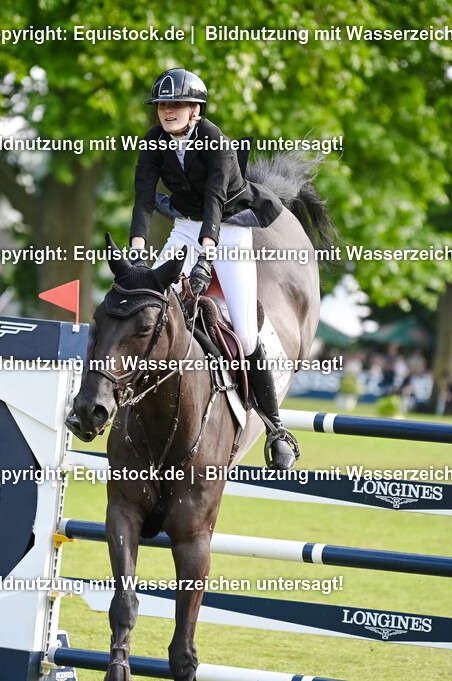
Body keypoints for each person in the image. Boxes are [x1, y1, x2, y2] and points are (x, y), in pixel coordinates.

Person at [128, 68, 298, 470]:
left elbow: (215, 204)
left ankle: (276, 429)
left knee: (244, 332)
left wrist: (206, 259)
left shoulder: (216, 142)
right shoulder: (153, 142)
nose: (167, 112)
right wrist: (137, 251)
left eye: (176, 105)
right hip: (185, 228)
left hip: (231, 231)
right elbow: (143, 197)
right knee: (148, 305)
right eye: (162, 106)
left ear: (196, 110)